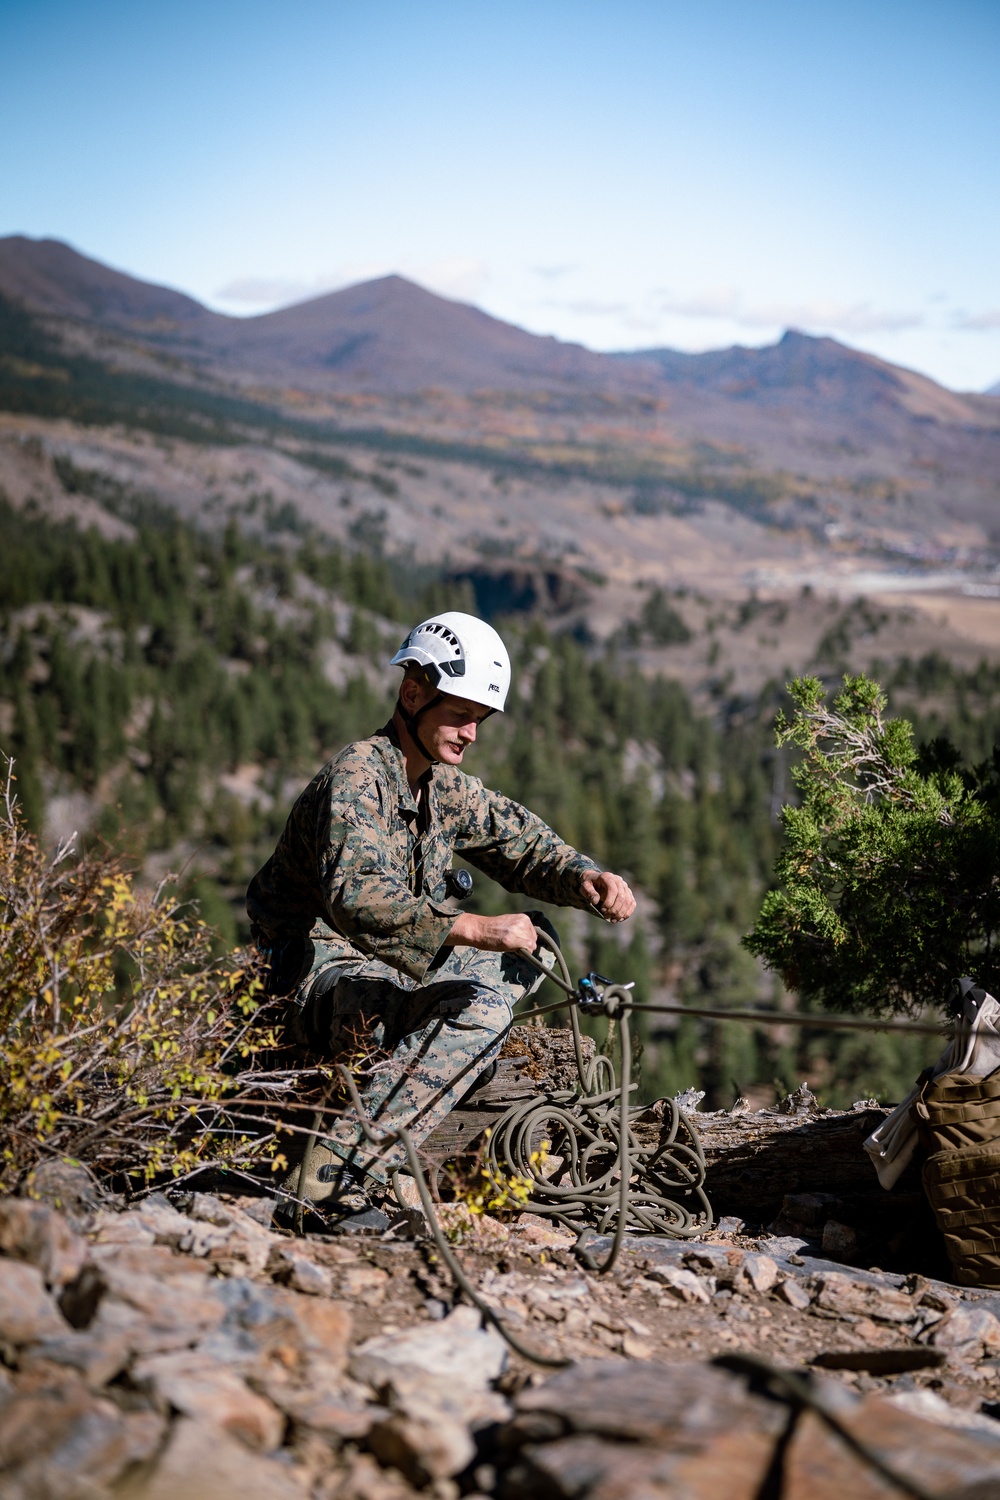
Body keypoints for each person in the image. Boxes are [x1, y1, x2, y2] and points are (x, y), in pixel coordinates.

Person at [246, 610, 635, 1222]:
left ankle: (437, 1049)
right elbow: (357, 899)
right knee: (484, 1010)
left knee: (540, 944)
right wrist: (478, 929)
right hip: (310, 983)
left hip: (384, 971)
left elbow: (521, 843)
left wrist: (585, 876)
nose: (471, 733)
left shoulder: (440, 784)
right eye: (460, 713)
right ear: (412, 694)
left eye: (479, 719)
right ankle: (340, 1167)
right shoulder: (358, 775)